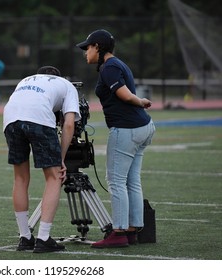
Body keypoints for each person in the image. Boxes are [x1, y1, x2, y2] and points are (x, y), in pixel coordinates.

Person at [76, 29, 155, 248]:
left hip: (127, 128)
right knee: (131, 180)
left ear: (98, 47)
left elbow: (123, 94)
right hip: (143, 126)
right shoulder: (119, 64)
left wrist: (140, 101)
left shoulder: (109, 67)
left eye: (88, 48)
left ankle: (119, 232)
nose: (86, 52)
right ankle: (132, 229)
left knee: (116, 181)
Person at [3, 66, 81, 253]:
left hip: (10, 119)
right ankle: (44, 238)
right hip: (37, 118)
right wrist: (60, 158)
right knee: (54, 177)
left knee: (20, 178)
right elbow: (69, 124)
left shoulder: (26, 80)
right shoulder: (67, 85)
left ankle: (25, 237)